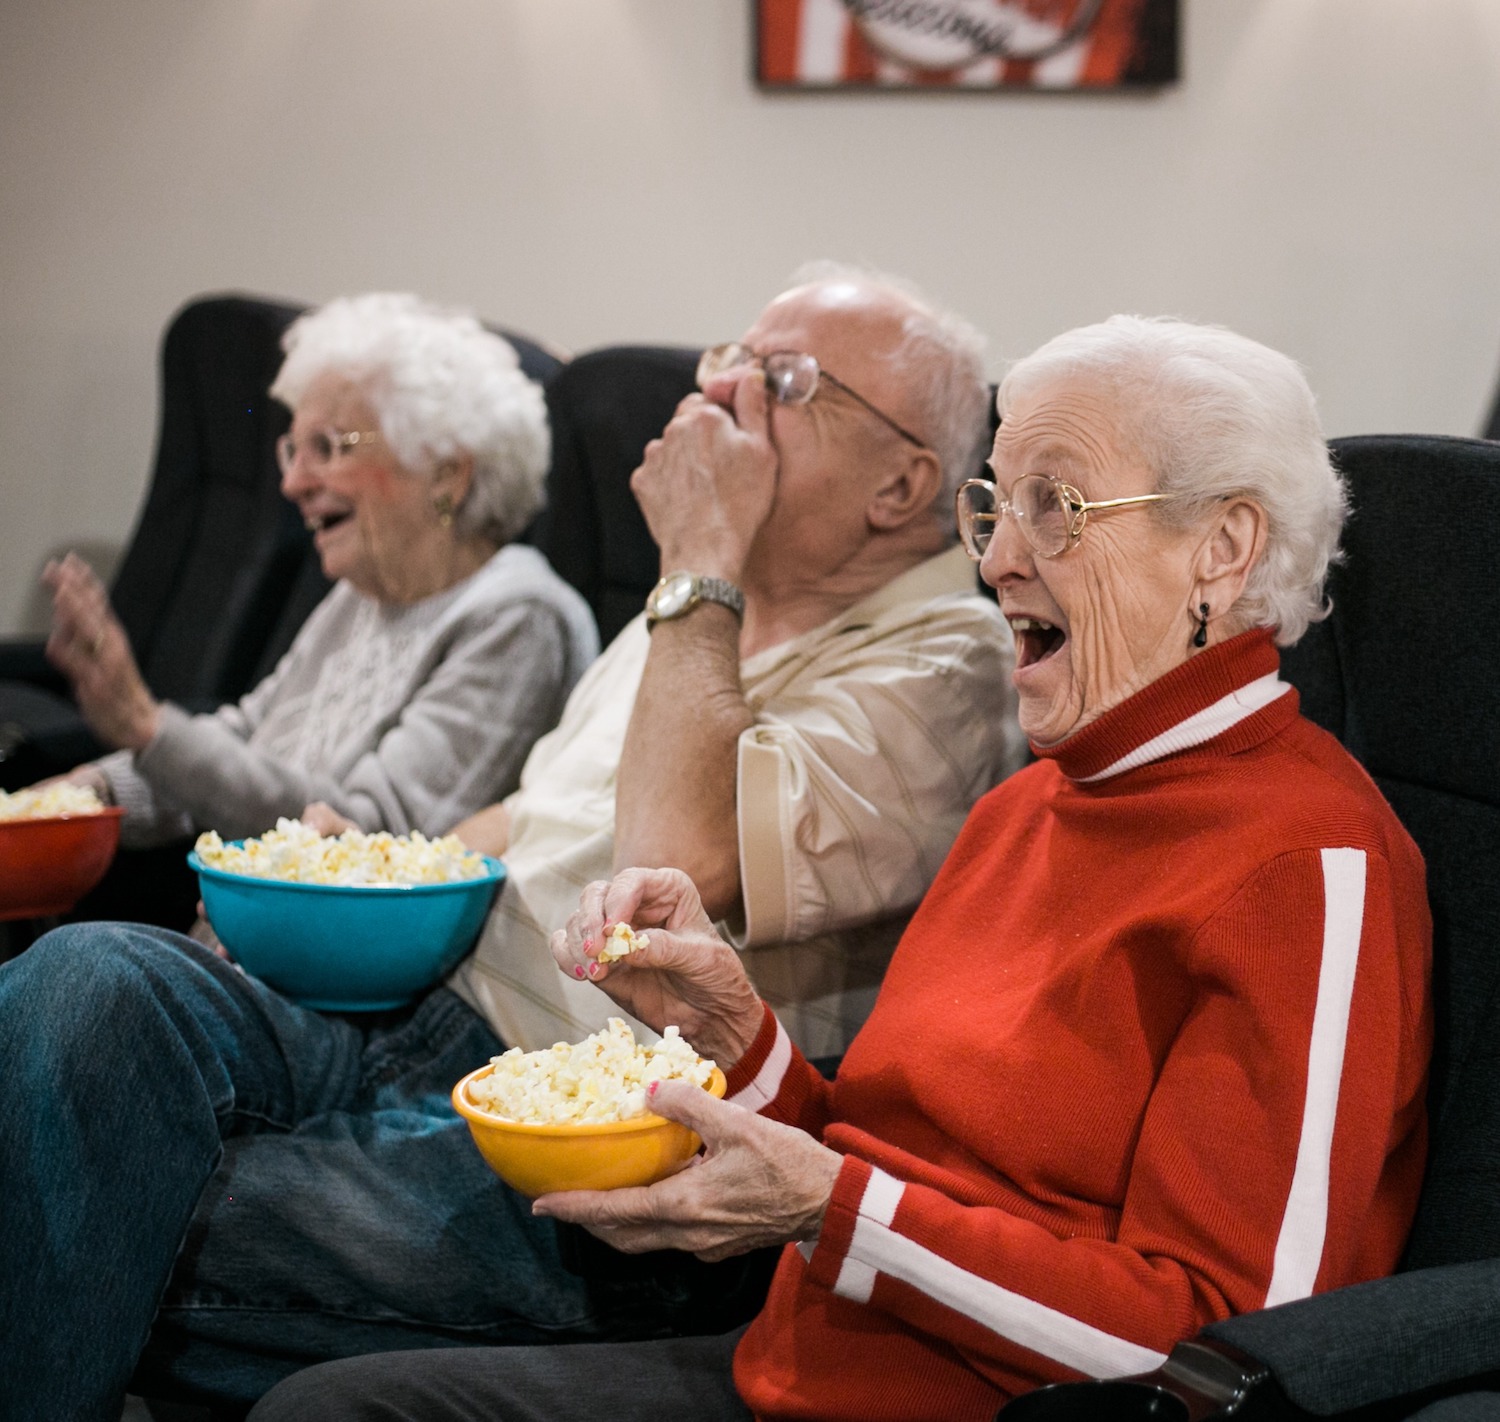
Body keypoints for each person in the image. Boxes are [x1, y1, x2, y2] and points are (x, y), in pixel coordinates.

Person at [246, 316, 1434, 1422]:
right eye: (995, 508)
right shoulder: (1027, 807)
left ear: (1220, 550)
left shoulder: (1308, 860)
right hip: (797, 1359)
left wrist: (834, 1210)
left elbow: (1223, 1354)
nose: (1001, 560)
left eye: (1056, 507)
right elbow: (878, 1150)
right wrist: (739, 1041)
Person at [0, 267, 1022, 1420]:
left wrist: (701, 566)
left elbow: (667, 867)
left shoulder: (947, 665)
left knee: (89, 1190)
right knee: (84, 981)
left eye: (781, 381)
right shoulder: (695, 611)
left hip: (600, 1140)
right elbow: (531, 818)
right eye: (723, 358)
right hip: (429, 1017)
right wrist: (349, 878)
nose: (721, 390)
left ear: (902, 483)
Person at [41, 291, 596, 851]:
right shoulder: (364, 595)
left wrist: (147, 727)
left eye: (329, 448)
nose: (293, 484)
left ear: (446, 476)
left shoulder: (520, 620)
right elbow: (247, 738)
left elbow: (367, 834)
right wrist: (87, 792)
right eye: (293, 450)